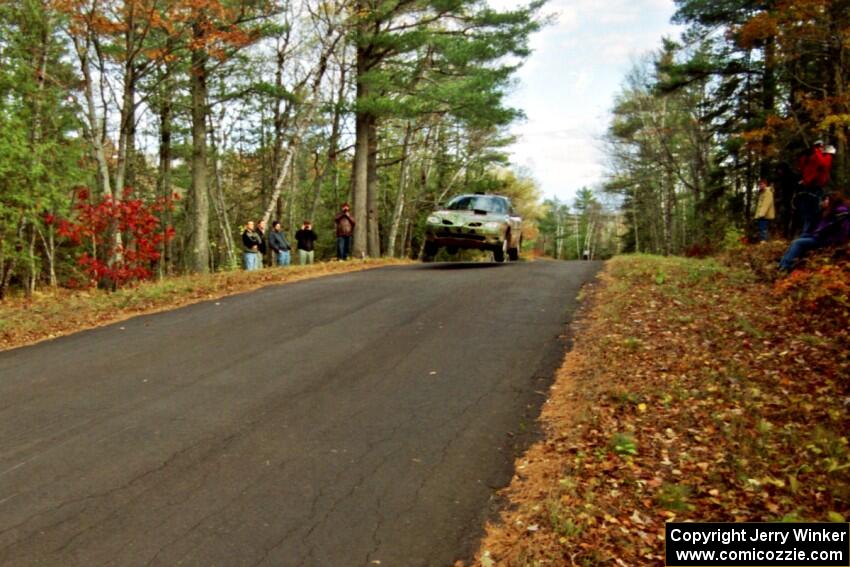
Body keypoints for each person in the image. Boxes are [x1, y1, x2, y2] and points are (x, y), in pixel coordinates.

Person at [779, 192, 849, 271]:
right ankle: (783, 263)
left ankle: (785, 267)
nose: (825, 201)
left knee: (797, 243)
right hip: (821, 236)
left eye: (827, 199)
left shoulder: (839, 213)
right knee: (802, 236)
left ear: (833, 201)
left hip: (826, 240)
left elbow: (836, 231)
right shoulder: (831, 211)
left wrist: (820, 235)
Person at [795, 140, 835, 234]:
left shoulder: (806, 155)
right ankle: (810, 235)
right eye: (822, 147)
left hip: (807, 186)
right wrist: (829, 155)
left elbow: (801, 168)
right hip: (814, 186)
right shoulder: (816, 154)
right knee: (816, 211)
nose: (823, 149)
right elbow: (824, 164)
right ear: (819, 147)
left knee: (808, 212)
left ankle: (807, 233)